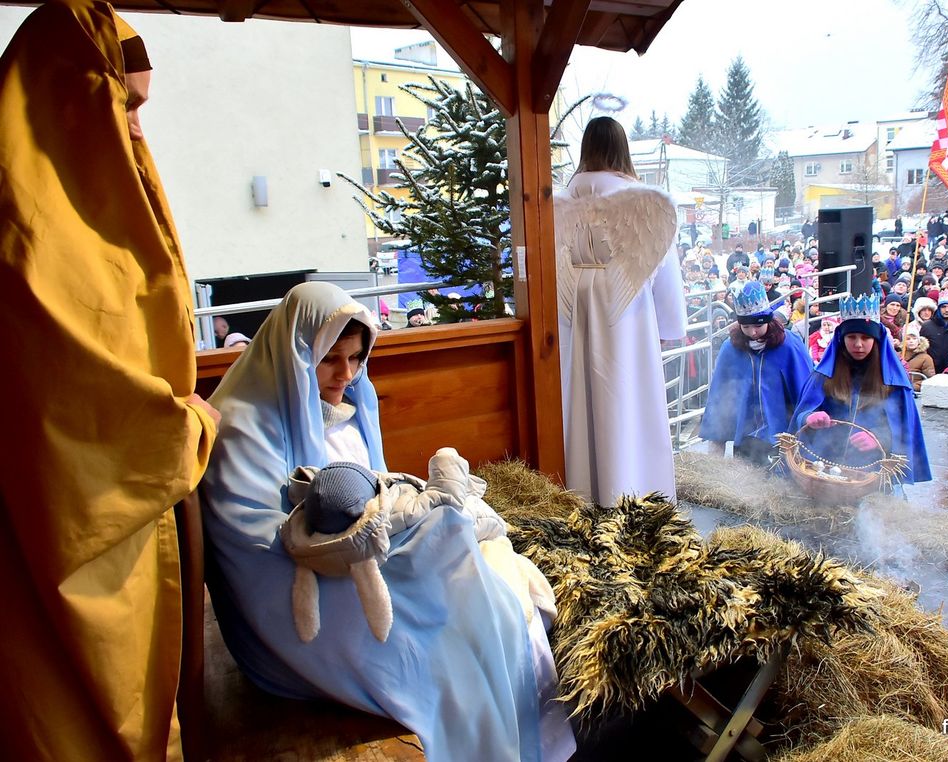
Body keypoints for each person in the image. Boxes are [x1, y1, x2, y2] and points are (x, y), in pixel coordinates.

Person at [201, 282, 574, 761]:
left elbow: (375, 489)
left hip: (357, 554)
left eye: (357, 359)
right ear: (297, 352)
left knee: (484, 585)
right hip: (296, 598)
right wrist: (415, 535)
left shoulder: (346, 402)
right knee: (465, 622)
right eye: (330, 358)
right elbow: (255, 552)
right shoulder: (242, 428)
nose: (346, 374)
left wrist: (411, 522)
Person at [0, 2, 219, 758]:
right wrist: (188, 427)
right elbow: (78, 417)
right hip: (61, 571)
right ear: (65, 94)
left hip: (138, 539)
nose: (134, 131)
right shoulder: (22, 231)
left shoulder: (98, 208)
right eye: (122, 103)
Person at [555, 116, 685, 506]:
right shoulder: (646, 202)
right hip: (626, 311)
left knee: (579, 395)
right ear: (622, 150)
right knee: (628, 397)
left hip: (574, 308)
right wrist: (669, 324)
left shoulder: (558, 203)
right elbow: (666, 269)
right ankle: (631, 491)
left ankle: (583, 488)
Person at [791, 293, 931, 485]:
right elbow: (802, 414)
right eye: (852, 337)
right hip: (822, 465)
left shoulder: (893, 381)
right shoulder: (823, 375)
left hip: (872, 471)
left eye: (866, 337)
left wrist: (880, 438)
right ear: (841, 339)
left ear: (876, 340)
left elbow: (903, 426)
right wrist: (808, 417)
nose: (858, 344)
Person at [700, 282, 814, 464]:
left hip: (783, 437)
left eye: (758, 326)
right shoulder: (730, 349)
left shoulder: (790, 346)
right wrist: (716, 443)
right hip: (745, 436)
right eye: (746, 327)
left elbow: (806, 389)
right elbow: (720, 396)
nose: (752, 332)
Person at [920, 293, 948, 373]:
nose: (946, 310)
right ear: (939, 308)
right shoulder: (927, 326)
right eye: (943, 307)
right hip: (933, 368)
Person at [902, 327, 936, 392]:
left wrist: (913, 386)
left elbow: (930, 379)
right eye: (908, 339)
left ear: (918, 341)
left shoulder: (926, 358)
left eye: (914, 339)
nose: (911, 341)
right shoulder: (897, 356)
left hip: (914, 392)